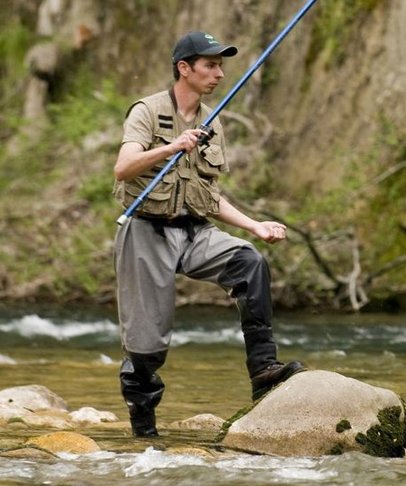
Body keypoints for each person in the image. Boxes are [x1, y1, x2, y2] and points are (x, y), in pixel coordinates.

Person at [112, 31, 306, 438]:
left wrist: (254, 225)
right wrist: (170, 147)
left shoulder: (212, 120)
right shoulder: (147, 111)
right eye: (210, 65)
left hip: (195, 230)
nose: (219, 73)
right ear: (185, 68)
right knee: (146, 347)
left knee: (249, 262)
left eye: (221, 66)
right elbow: (123, 168)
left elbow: (209, 196)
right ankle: (144, 434)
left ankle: (263, 370)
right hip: (146, 231)